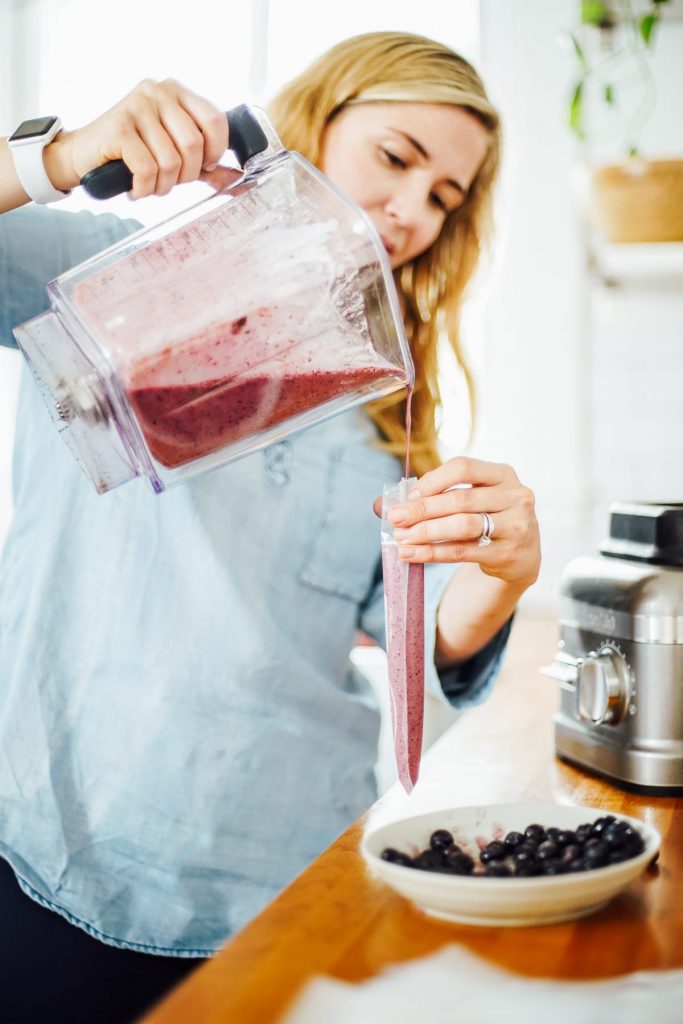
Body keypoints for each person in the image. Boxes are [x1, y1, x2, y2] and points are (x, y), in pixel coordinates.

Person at [0, 31, 541, 1022]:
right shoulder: (104, 287)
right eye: (395, 159)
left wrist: (499, 578)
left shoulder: (387, 413)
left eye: (444, 200)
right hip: (56, 850)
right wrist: (56, 158)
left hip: (295, 880)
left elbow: (412, 644)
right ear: (311, 124)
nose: (413, 213)